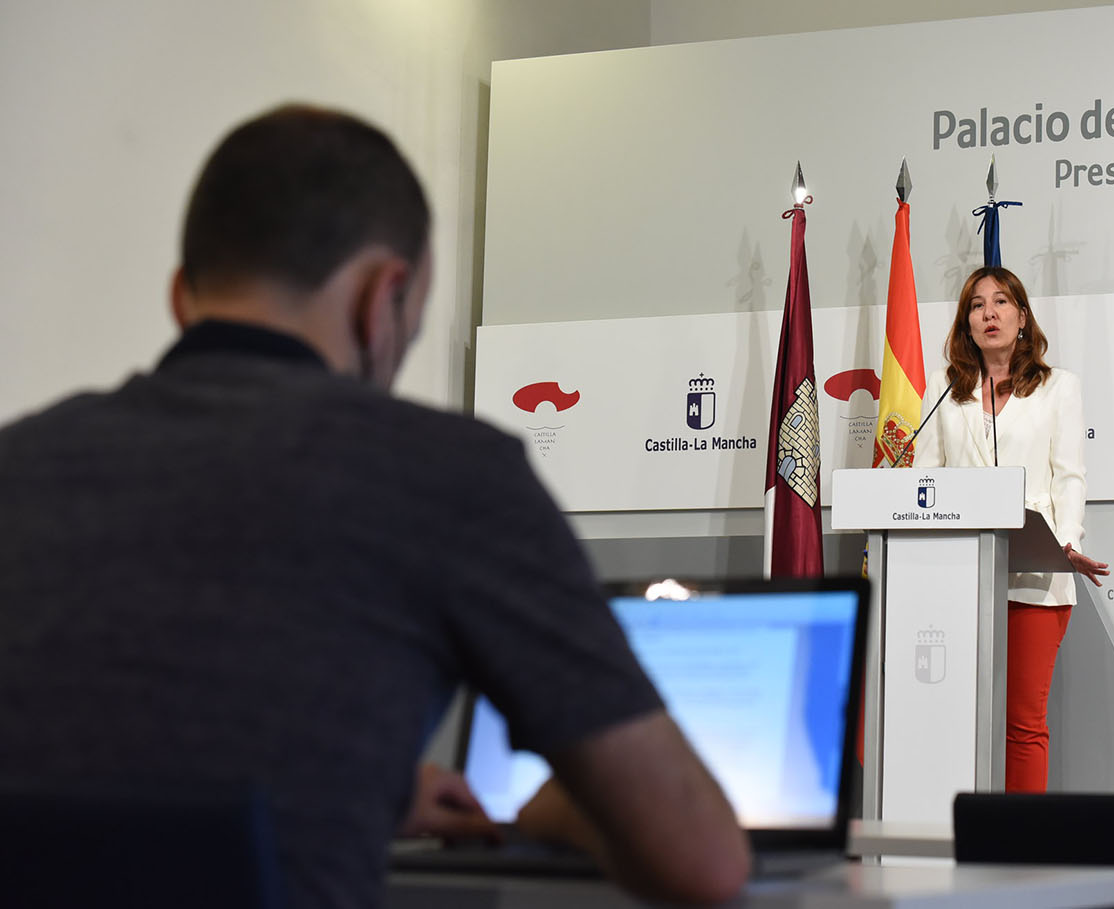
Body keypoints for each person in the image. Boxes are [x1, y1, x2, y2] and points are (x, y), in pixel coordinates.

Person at [0, 105, 748, 907]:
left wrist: (370, 792)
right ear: (381, 297)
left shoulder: (17, 459)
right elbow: (699, 860)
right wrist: (558, 813)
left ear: (182, 297)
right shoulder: (450, 474)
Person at [914, 265, 1109, 792]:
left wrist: (1066, 543)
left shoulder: (1057, 388)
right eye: (977, 306)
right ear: (966, 324)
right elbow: (923, 478)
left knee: (1023, 726)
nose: (989, 313)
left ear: (1022, 317)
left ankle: (1023, 852)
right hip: (960, 578)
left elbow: (1069, 476)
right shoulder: (942, 390)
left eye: (1001, 302)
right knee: (955, 721)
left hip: (1035, 577)